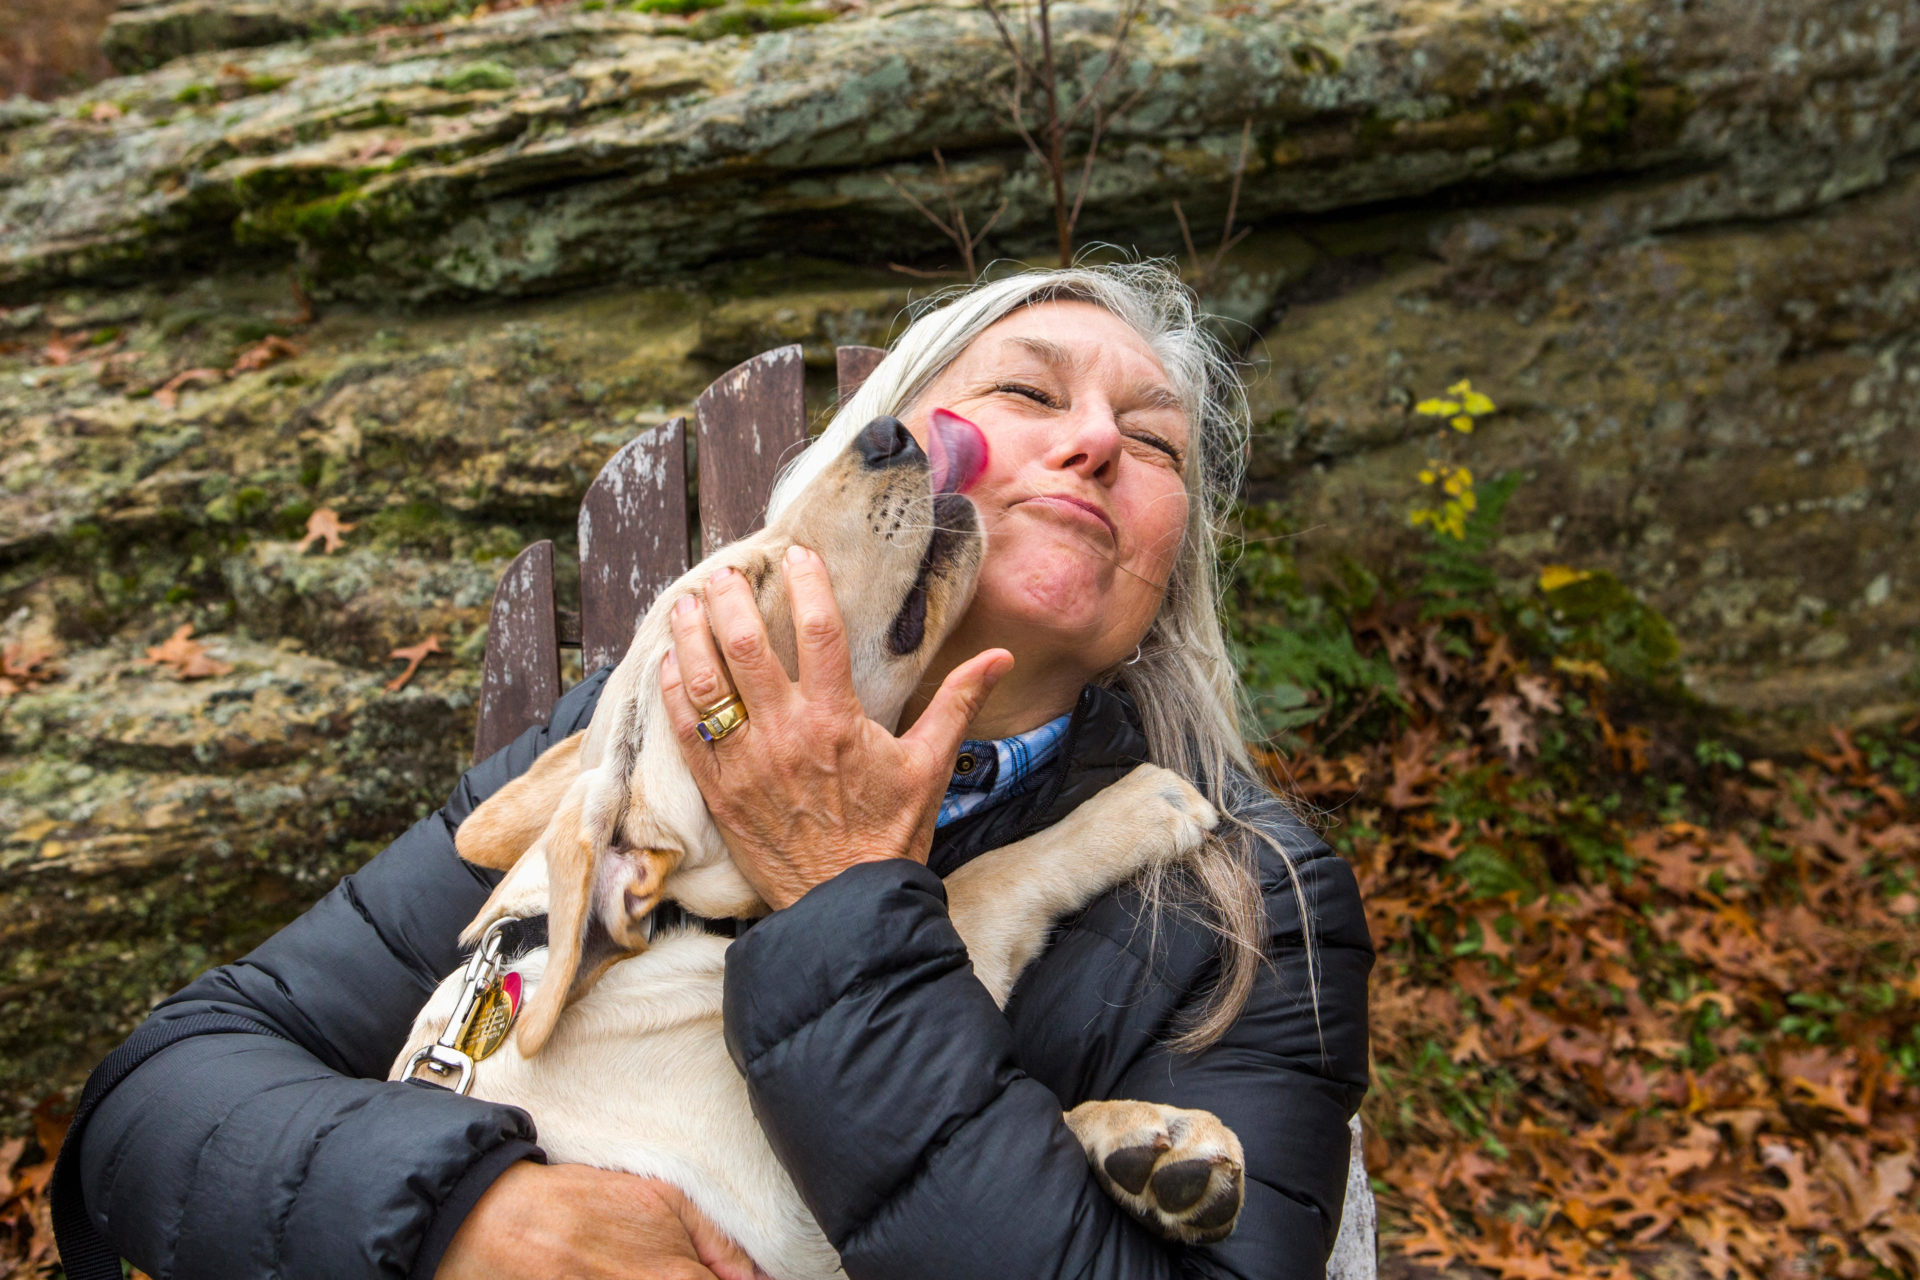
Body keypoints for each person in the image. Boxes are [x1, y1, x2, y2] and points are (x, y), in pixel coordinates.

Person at [55, 261, 1371, 1280]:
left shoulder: (1250, 903)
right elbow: (160, 1102)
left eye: (1152, 444)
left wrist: (845, 889)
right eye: (1030, 393)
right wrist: (464, 1211)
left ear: (1168, 573)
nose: (1091, 442)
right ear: (882, 449)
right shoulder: (629, 743)